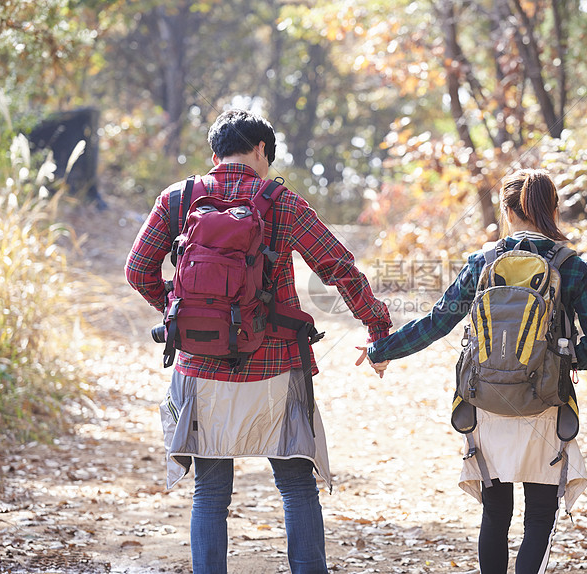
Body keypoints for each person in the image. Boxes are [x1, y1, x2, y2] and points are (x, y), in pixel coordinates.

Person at [125, 109, 392, 574]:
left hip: (201, 367)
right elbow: (338, 267)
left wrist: (179, 313)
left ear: (215, 155)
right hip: (275, 365)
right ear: (262, 151)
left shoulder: (178, 198)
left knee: (210, 493)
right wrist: (377, 326)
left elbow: (137, 270)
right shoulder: (282, 202)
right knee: (296, 485)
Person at [356, 168, 587, 573]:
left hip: (486, 402)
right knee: (540, 516)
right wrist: (564, 361)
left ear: (508, 211)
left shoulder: (484, 261)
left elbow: (439, 322)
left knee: (495, 514)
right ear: (552, 209)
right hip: (546, 405)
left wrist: (381, 349)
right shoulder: (573, 266)